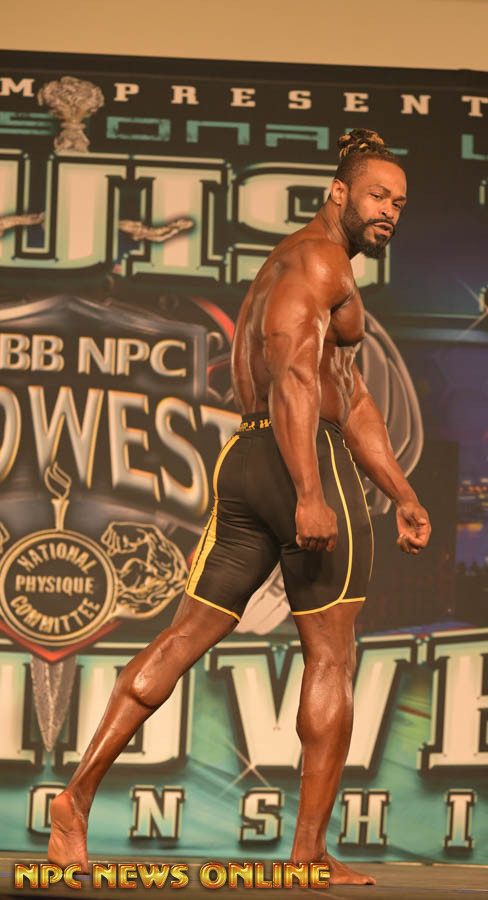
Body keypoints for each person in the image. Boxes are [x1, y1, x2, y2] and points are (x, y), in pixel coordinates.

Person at [48, 128, 431, 886]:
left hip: (247, 460)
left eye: (399, 202)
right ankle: (308, 853)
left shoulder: (291, 266)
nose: (390, 211)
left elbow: (351, 395)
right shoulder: (320, 262)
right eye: (377, 196)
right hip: (301, 460)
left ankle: (74, 798)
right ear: (339, 193)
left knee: (183, 636)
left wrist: (403, 492)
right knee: (331, 658)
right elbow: (295, 378)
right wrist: (311, 492)